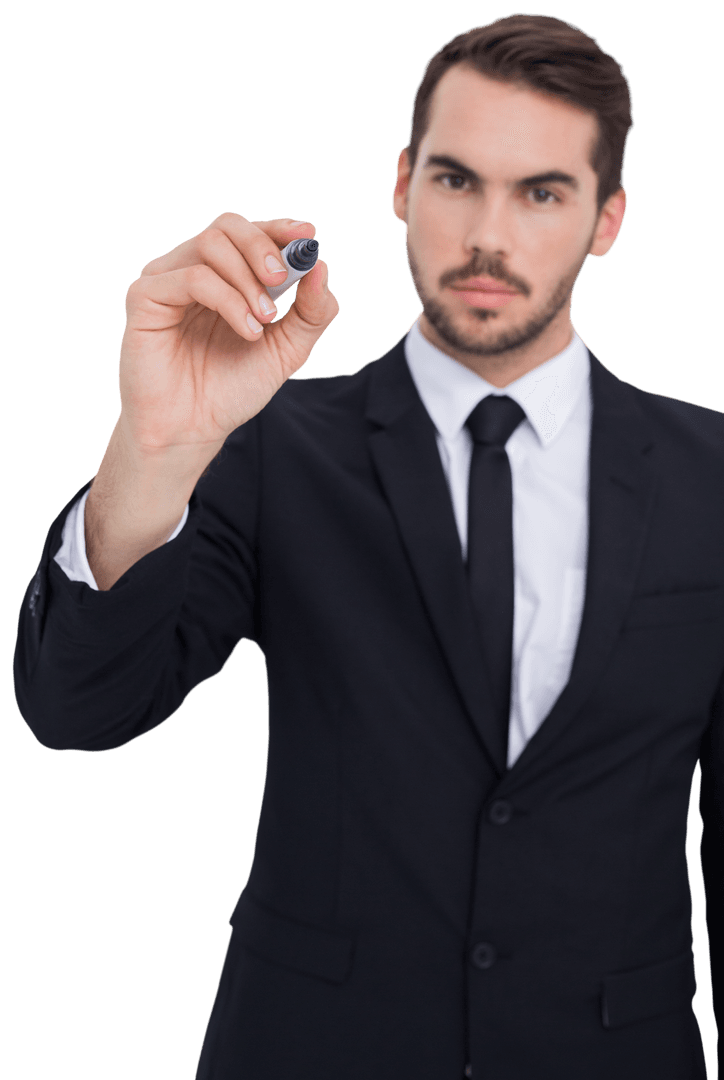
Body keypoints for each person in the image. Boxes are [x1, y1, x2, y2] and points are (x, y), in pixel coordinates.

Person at [12, 13, 722, 1080]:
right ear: (400, 185)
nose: (489, 232)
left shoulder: (711, 472)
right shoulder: (270, 449)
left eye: (542, 192)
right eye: (454, 180)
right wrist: (156, 446)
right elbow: (78, 708)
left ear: (606, 219)